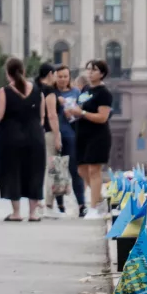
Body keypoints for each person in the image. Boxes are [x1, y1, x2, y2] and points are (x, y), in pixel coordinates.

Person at [0, 57, 46, 221]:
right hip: (35, 135)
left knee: (12, 171)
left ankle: (16, 213)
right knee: (35, 171)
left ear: (8, 74)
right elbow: (42, 117)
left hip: (11, 137)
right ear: (23, 71)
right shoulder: (38, 91)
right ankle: (32, 213)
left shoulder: (5, 91)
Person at [66, 59, 113, 217]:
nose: (90, 72)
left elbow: (102, 117)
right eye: (88, 69)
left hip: (98, 135)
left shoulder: (104, 93)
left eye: (94, 70)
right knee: (81, 169)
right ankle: (99, 199)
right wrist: (73, 111)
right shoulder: (86, 89)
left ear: (102, 73)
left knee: (94, 170)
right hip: (82, 133)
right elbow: (80, 106)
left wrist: (83, 114)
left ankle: (93, 208)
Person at [53, 64, 86, 214]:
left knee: (74, 170)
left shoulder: (76, 92)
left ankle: (81, 204)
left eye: (65, 76)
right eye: (60, 76)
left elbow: (84, 109)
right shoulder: (51, 93)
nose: (63, 79)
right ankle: (60, 205)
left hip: (72, 135)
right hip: (56, 135)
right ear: (55, 77)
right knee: (58, 171)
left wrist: (74, 111)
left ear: (69, 77)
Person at [35, 63, 67, 218]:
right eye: (55, 74)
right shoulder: (49, 91)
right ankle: (48, 204)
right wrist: (57, 135)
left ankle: (37, 204)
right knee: (52, 167)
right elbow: (52, 115)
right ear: (50, 74)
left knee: (39, 169)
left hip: (34, 132)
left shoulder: (34, 89)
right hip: (48, 132)